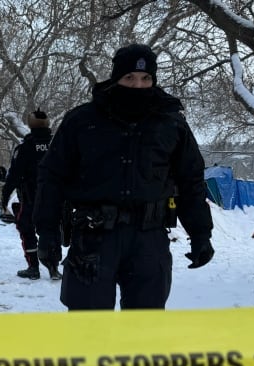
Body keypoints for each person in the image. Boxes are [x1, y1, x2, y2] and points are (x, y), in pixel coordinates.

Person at [33, 43, 214, 311]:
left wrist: (200, 232)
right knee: (89, 331)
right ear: (116, 78)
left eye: (146, 78)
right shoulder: (82, 121)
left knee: (144, 334)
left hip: (149, 239)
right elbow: (52, 178)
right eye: (129, 77)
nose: (138, 85)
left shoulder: (171, 123)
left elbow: (191, 181)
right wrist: (47, 232)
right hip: (93, 239)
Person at [2, 109, 54, 280]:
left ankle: (33, 267)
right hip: (54, 199)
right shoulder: (57, 145)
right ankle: (53, 267)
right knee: (50, 231)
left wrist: (5, 195)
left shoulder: (25, 147)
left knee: (26, 229)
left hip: (31, 198)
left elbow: (14, 175)